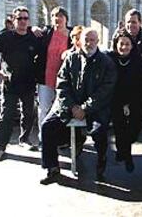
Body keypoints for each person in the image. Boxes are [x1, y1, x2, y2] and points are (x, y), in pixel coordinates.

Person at [40, 28, 117, 184]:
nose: (89, 43)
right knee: (47, 126)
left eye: (93, 40)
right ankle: (52, 168)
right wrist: (72, 106)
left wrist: (85, 108)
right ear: (80, 41)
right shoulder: (71, 59)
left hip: (95, 109)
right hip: (69, 106)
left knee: (100, 132)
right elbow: (62, 84)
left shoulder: (106, 62)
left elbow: (105, 91)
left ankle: (101, 166)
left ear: (98, 41)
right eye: (86, 40)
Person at [0, 6, 40, 161]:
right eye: (19, 18)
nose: (22, 21)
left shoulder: (33, 38)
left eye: (25, 18)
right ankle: (0, 147)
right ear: (13, 20)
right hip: (10, 83)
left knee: (28, 114)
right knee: (6, 115)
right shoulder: (5, 37)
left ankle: (24, 139)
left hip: (28, 83)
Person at [107, 29, 142, 173]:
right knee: (119, 126)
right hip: (115, 99)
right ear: (116, 44)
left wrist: (129, 104)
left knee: (134, 130)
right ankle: (126, 154)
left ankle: (124, 149)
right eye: (121, 44)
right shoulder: (109, 59)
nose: (124, 47)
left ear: (132, 45)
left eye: (127, 44)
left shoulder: (140, 61)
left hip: (135, 99)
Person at [34, 7, 73, 148]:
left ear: (66, 18)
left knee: (63, 109)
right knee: (44, 108)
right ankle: (43, 138)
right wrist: (32, 28)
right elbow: (30, 34)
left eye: (61, 16)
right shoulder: (46, 33)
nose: (58, 18)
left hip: (65, 79)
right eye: (54, 16)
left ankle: (62, 139)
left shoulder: (73, 34)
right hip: (46, 77)